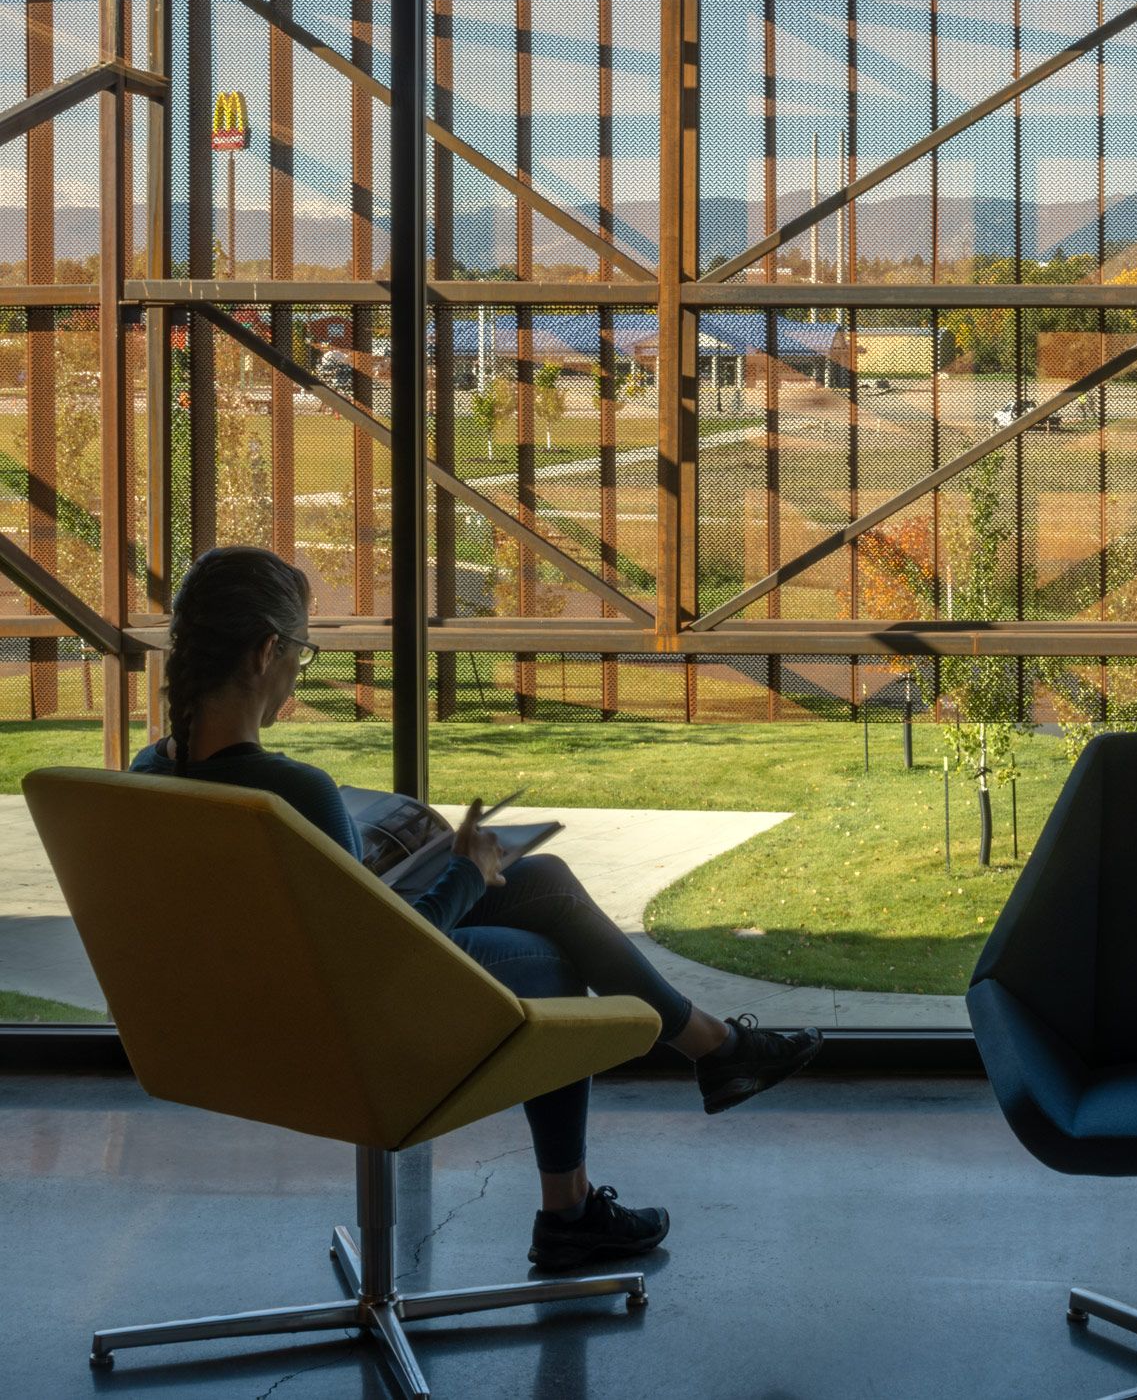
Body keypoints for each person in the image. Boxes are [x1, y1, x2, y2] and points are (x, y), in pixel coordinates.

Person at [132, 546, 822, 1273]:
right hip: (343, 1024)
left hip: (253, 1009)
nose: (297, 674)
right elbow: (392, 960)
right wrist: (461, 870)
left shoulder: (151, 773)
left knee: (543, 877)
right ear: (267, 650)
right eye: (301, 653)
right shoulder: (293, 792)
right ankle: (578, 1204)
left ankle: (712, 1054)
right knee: (552, 964)